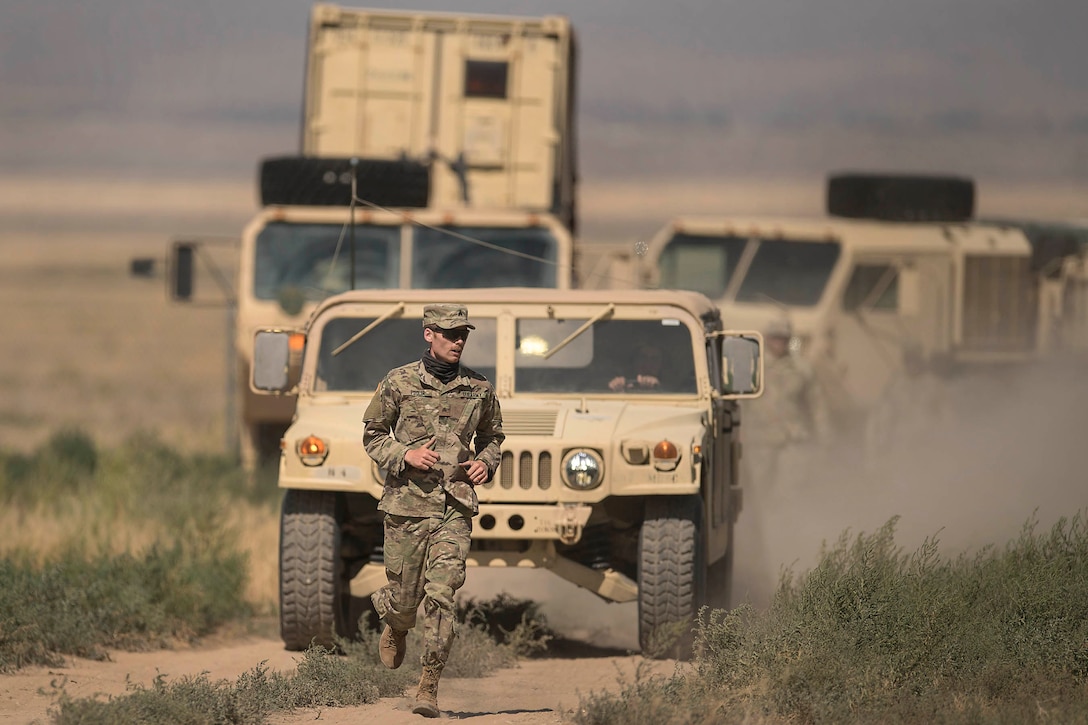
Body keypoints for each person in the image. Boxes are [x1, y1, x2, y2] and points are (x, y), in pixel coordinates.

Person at [362, 303, 505, 718]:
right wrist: (404, 454)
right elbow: (372, 434)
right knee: (406, 600)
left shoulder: (479, 388)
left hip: (454, 507)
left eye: (463, 333)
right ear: (429, 333)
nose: (458, 340)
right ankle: (396, 620)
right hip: (406, 507)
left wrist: (485, 462)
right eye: (449, 333)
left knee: (441, 594)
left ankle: (428, 685)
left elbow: (494, 436)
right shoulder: (399, 382)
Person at [742, 317, 830, 489]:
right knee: (758, 490)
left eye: (783, 338)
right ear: (766, 338)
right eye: (775, 337)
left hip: (792, 440)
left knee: (790, 491)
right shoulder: (751, 366)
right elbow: (738, 403)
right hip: (759, 441)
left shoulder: (801, 368)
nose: (779, 342)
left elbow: (817, 404)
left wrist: (824, 435)